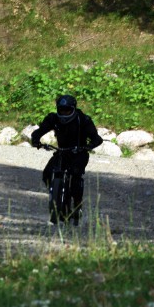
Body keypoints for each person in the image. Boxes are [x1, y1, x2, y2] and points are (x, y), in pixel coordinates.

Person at [31, 95, 103, 225]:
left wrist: (87, 146)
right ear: (58, 109)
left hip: (78, 153)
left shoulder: (83, 119)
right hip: (62, 152)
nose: (64, 113)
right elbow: (38, 132)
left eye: (67, 110)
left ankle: (76, 206)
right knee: (47, 173)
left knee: (75, 176)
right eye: (61, 110)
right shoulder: (53, 118)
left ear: (74, 109)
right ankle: (57, 198)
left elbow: (97, 139)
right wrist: (36, 141)